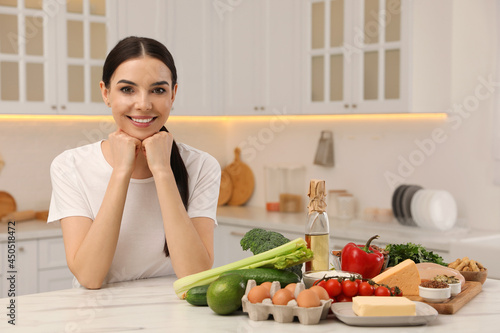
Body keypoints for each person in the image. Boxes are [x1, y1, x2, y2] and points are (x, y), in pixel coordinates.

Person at [47, 36, 221, 289]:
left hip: (173, 316)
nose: (143, 104)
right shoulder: (69, 166)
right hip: (97, 318)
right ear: (106, 94)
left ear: (173, 94)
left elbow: (194, 276)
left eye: (158, 90)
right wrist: (121, 171)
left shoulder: (202, 166)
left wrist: (161, 171)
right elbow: (89, 277)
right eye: (127, 89)